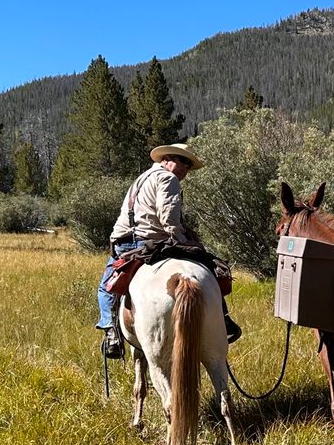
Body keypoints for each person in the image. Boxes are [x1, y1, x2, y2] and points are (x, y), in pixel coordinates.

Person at [96, 143, 241, 358]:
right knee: (210, 267)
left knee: (107, 286)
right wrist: (182, 239)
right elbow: (169, 217)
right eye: (182, 161)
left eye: (188, 165)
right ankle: (223, 319)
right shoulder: (168, 178)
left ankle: (111, 332)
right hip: (152, 242)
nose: (185, 169)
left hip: (123, 243)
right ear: (166, 160)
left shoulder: (141, 178)